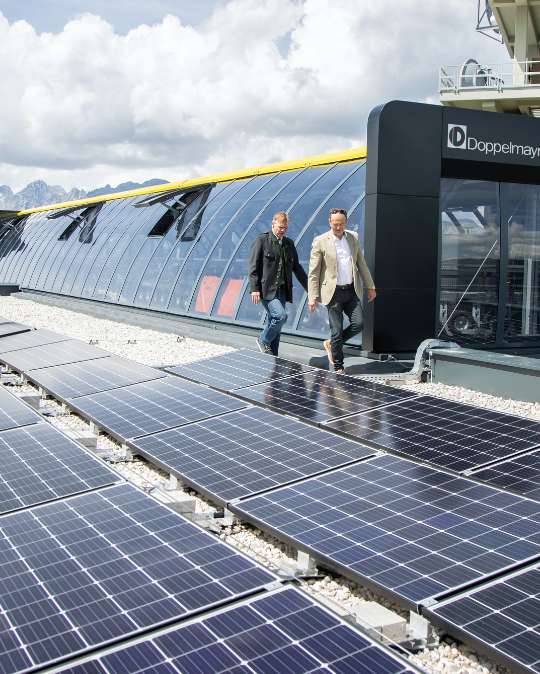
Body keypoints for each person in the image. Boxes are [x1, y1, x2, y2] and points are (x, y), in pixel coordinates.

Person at [308, 207, 376, 374]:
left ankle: (332, 343)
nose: (338, 227)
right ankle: (339, 366)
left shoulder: (353, 238)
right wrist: (312, 296)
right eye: (335, 224)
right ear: (330, 223)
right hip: (333, 293)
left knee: (359, 324)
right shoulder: (320, 241)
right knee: (336, 330)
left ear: (346, 223)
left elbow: (361, 263)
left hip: (351, 290)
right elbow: (314, 271)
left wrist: (371, 286)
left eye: (341, 224)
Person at [249, 212, 308, 356]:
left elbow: (297, 268)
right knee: (280, 317)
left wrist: (310, 288)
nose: (282, 230)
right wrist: (254, 289)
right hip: (266, 289)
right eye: (280, 227)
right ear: (273, 224)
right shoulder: (262, 240)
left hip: (282, 290)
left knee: (276, 323)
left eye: (285, 228)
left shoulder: (289, 244)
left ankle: (273, 356)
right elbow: (253, 266)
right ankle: (263, 339)